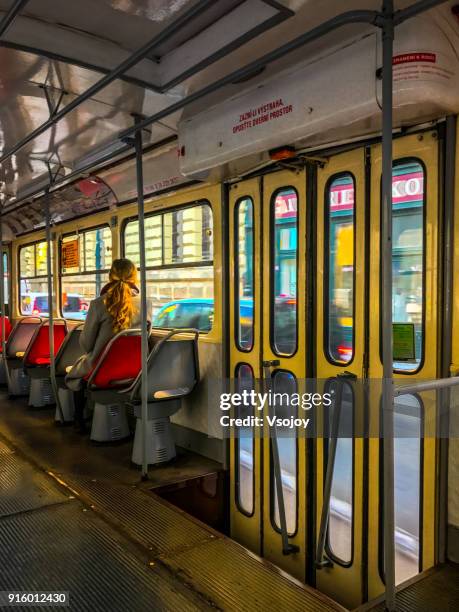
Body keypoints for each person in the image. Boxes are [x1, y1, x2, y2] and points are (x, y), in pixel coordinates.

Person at [65, 258, 141, 432]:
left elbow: (86, 344)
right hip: (135, 370)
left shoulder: (98, 304)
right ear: (135, 278)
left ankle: (79, 420)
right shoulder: (146, 303)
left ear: (110, 277)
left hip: (101, 370)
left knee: (76, 373)